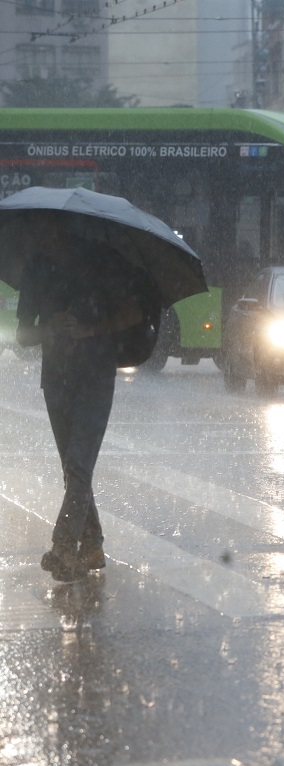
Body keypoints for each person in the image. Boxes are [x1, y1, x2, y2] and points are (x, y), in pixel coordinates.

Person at [16, 213, 145, 582]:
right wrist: (49, 327)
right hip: (55, 380)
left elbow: (133, 312)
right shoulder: (35, 270)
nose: (36, 234)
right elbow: (24, 335)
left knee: (78, 467)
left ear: (58, 227)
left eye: (41, 227)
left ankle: (62, 548)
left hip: (95, 376)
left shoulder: (100, 261)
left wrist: (90, 329)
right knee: (73, 470)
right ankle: (92, 544)